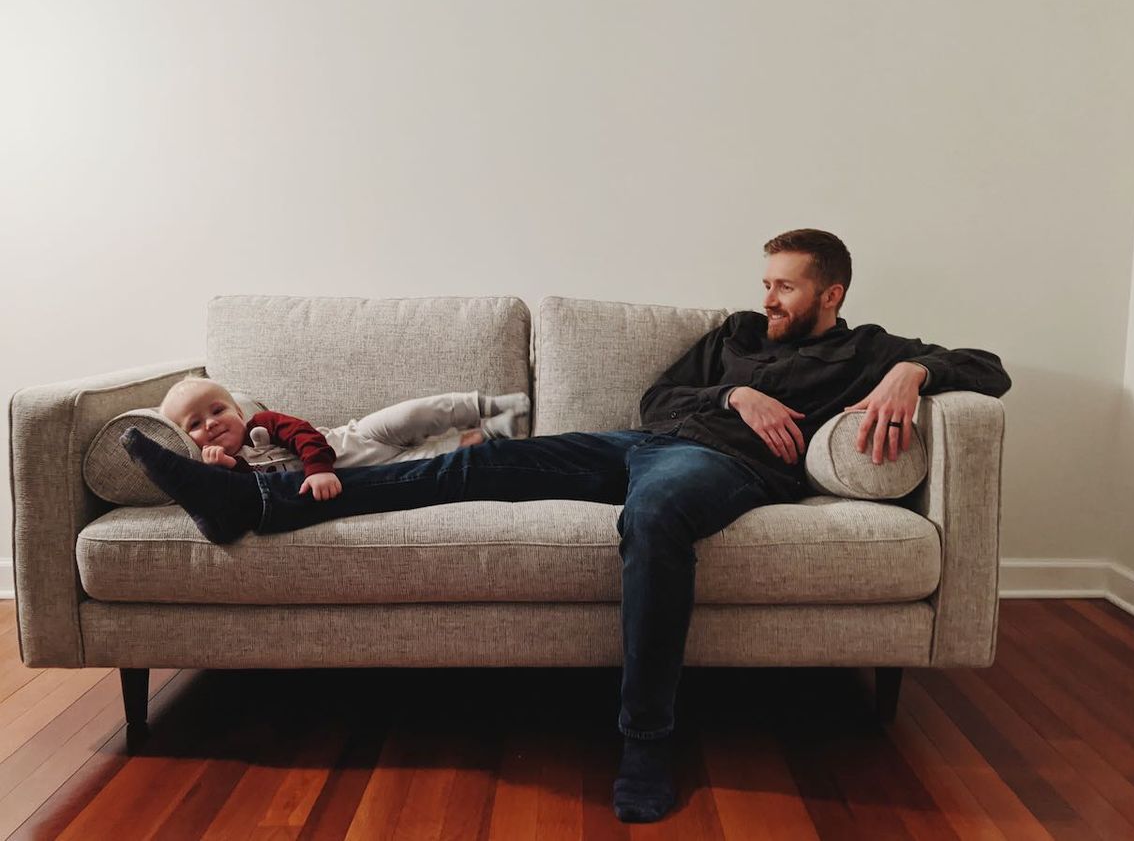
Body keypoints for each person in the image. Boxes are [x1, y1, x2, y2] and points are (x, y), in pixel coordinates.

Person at [121, 228, 1011, 823]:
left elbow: (989, 366)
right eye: (766, 282)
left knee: (654, 518)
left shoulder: (866, 350)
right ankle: (258, 504)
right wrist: (737, 391)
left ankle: (646, 742)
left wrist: (912, 376)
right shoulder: (737, 334)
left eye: (785, 286)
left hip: (723, 470)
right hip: (646, 440)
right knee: (477, 464)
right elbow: (659, 399)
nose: (768, 297)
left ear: (831, 292)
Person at [157, 376, 530, 500]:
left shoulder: (262, 425)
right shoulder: (223, 468)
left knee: (415, 414)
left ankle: (487, 404)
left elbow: (302, 434)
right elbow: (253, 494)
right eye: (195, 423)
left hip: (356, 437)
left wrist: (318, 469)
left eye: (218, 410)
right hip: (365, 473)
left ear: (238, 412)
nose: (211, 424)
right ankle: (493, 432)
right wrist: (225, 469)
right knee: (435, 458)